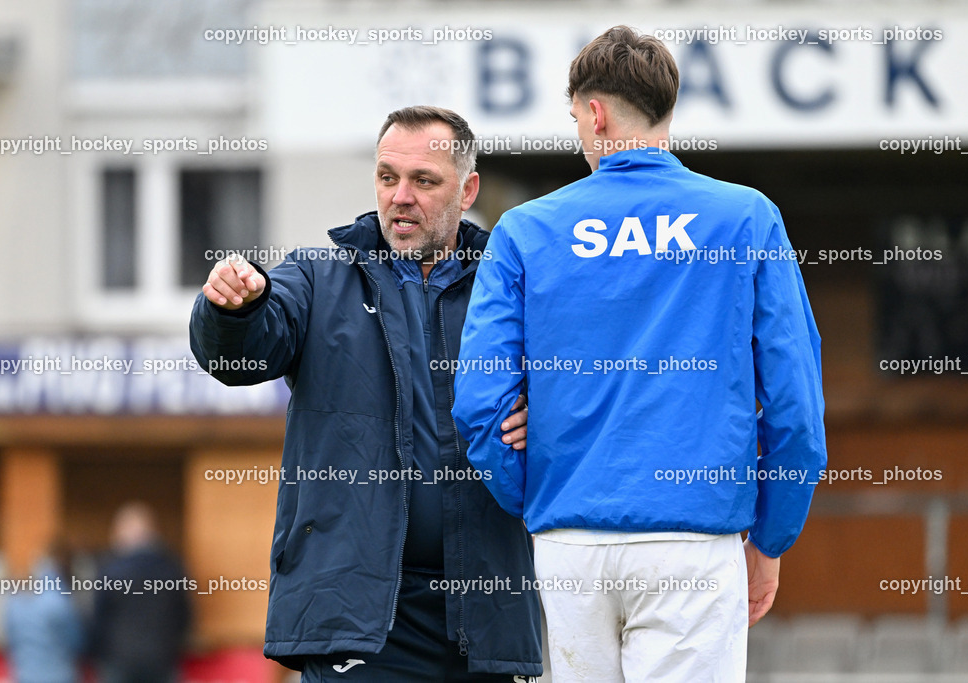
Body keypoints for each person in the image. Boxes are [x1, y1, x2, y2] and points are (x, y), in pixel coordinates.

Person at [452, 26, 828, 683]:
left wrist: (540, 496)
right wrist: (771, 538)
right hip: (694, 540)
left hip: (571, 542)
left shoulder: (525, 230)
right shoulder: (747, 218)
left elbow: (479, 406)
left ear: (595, 114)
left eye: (574, 118)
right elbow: (795, 405)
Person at [189, 106, 542, 682]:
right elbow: (241, 356)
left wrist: (545, 421)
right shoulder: (317, 277)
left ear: (468, 188)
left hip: (487, 615)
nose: (400, 196)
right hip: (356, 623)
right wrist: (234, 309)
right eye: (387, 177)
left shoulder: (510, 287)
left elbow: (582, 394)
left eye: (424, 181)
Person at [88, 502, 191, 683]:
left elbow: (98, 619)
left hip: (118, 659)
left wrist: (97, 652)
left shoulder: (110, 570)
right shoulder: (172, 568)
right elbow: (185, 616)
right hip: (161, 658)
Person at [3, 544, 84, 683]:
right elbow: (77, 642)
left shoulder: (15, 604)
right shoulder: (61, 603)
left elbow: (9, 641)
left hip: (26, 675)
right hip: (59, 675)